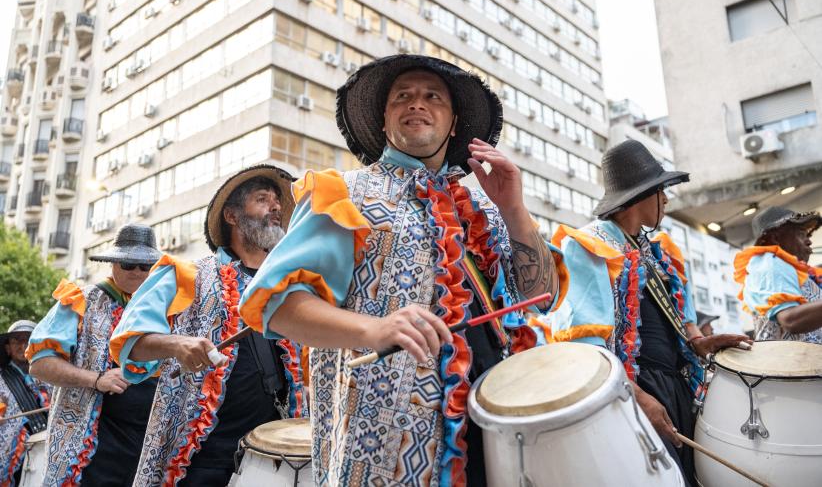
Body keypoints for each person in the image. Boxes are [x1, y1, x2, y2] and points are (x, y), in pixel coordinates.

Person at [238, 54, 560, 486]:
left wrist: (514, 207)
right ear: (384, 119)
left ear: (453, 121)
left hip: (498, 428)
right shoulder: (343, 193)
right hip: (391, 450)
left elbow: (543, 295)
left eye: (432, 97)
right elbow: (275, 306)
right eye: (402, 97)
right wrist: (373, 329)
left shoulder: (486, 208)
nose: (417, 104)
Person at [541, 140, 750, 486]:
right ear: (640, 196)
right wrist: (638, 398)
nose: (666, 200)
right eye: (661, 191)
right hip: (633, 391)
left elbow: (675, 323)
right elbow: (587, 348)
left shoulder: (657, 251)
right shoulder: (589, 246)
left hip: (675, 387)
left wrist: (700, 341)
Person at [110, 164, 307, 486]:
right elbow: (128, 340)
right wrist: (177, 344)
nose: (275, 207)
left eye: (277, 202)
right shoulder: (186, 274)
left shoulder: (291, 285)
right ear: (231, 215)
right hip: (202, 457)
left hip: (277, 453)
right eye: (262, 199)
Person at [26, 224, 161, 486]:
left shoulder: (167, 308)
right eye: (128, 264)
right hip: (94, 450)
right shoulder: (83, 300)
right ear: (113, 264)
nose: (137, 272)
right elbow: (40, 364)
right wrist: (96, 379)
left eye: (145, 266)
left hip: (148, 451)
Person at [734, 206, 822, 343]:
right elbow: (791, 320)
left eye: (807, 234)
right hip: (790, 362)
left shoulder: (786, 268)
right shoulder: (771, 263)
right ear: (775, 238)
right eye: (800, 233)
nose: (809, 241)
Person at [0, 320, 49, 485]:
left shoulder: (52, 374)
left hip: (50, 447)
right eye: (16, 341)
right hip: (13, 456)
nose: (22, 345)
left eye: (27, 339)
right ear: (7, 348)